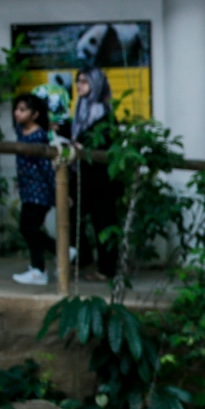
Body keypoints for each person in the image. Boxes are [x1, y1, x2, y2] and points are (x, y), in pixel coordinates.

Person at [61, 67, 120, 280]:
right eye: (78, 80)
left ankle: (107, 270)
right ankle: (83, 257)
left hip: (101, 180)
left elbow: (105, 143)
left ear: (96, 84)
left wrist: (81, 146)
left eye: (85, 81)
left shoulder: (105, 115)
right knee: (68, 215)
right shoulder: (80, 110)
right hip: (81, 177)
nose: (79, 85)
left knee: (103, 223)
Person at [11, 94, 58, 286]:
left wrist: (56, 192)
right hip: (28, 190)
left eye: (23, 110)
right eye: (17, 109)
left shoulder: (39, 136)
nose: (17, 113)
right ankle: (60, 251)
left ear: (35, 114)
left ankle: (39, 269)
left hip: (40, 191)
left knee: (28, 227)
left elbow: (46, 167)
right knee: (30, 228)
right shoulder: (21, 132)